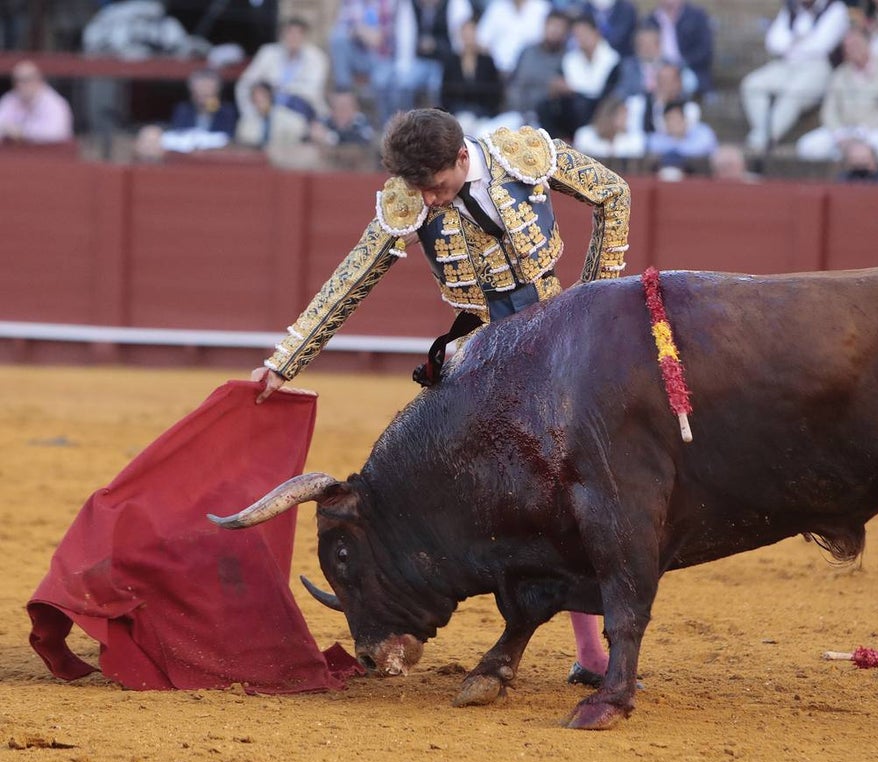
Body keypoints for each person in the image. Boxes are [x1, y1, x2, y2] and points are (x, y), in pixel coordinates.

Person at [250, 109, 632, 687]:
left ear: (461, 158)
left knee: (573, 488)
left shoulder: (519, 155)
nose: (427, 201)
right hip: (480, 352)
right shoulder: (407, 199)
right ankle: (405, 616)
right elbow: (354, 274)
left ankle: (595, 656)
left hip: (558, 341)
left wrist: (594, 300)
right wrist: (286, 360)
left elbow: (613, 194)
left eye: (436, 187)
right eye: (417, 190)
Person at [739, 0, 851, 153]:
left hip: (819, 67)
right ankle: (766, 135)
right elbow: (773, 42)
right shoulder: (791, 8)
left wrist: (792, 43)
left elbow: (821, 45)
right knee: (752, 85)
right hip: (787, 65)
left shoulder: (836, 8)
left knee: (793, 94)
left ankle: (758, 142)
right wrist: (800, 43)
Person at [795, 27, 878, 161]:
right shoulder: (839, 74)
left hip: (874, 130)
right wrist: (840, 134)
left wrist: (861, 133)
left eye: (856, 45)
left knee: (875, 147)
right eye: (848, 47)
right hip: (844, 130)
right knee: (807, 146)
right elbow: (829, 111)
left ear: (868, 44)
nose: (852, 50)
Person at [237, 17, 329, 135]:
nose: (293, 38)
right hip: (264, 111)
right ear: (282, 35)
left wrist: (275, 90)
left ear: (305, 36)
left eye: (298, 33)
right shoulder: (267, 53)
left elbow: (311, 91)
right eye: (289, 33)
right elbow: (245, 83)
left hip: (301, 113)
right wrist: (249, 111)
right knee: (247, 131)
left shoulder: (317, 57)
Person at [537, 13, 621, 139]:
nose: (581, 38)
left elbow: (603, 92)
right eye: (577, 35)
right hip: (572, 106)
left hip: (598, 108)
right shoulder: (570, 59)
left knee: (581, 105)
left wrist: (573, 89)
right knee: (545, 106)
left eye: (585, 33)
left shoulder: (611, 59)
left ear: (596, 32)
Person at [502, 11, 571, 128]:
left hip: (547, 119)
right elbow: (514, 84)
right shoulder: (527, 51)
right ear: (544, 26)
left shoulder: (569, 58)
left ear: (566, 33)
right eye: (552, 25)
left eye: (560, 27)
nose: (555, 31)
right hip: (517, 113)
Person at [440, 17, 504, 134]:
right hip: (459, 112)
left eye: (471, 32)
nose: (468, 37)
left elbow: (495, 91)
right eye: (465, 33)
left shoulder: (487, 61)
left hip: (484, 113)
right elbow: (446, 93)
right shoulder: (451, 61)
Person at [644, 0, 714, 95]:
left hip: (689, 69)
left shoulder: (697, 16)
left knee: (680, 82)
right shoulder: (651, 20)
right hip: (657, 67)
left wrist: (681, 64)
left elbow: (705, 51)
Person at [0, 59, 73, 144]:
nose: (21, 85)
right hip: (16, 154)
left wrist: (22, 132)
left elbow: (55, 133)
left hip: (50, 155)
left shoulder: (55, 103)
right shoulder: (10, 99)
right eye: (17, 80)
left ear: (39, 79)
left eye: (27, 79)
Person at [476, 0, 552, 77]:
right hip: (498, 72)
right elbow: (481, 41)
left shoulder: (542, 7)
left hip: (531, 73)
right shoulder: (497, 7)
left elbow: (549, 41)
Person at [645, 99, 718, 175]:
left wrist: (678, 143)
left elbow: (702, 147)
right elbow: (654, 145)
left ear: (685, 119)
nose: (674, 123)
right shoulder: (657, 138)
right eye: (670, 119)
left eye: (677, 119)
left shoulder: (703, 132)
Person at [573, 94, 646, 158]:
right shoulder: (585, 135)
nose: (626, 119)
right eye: (622, 115)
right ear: (609, 116)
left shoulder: (633, 140)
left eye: (626, 115)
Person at [169, 68, 238, 137]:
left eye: (207, 95)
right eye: (199, 95)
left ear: (217, 93)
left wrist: (211, 110)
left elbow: (228, 137)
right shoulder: (182, 111)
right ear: (192, 93)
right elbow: (178, 135)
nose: (202, 100)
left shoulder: (227, 113)